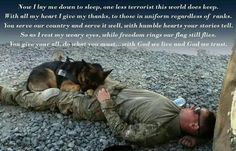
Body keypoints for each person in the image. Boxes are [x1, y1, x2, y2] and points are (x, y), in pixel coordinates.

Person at [0, 77, 215, 148]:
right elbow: (212, 130)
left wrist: (105, 104)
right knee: (79, 73)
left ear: (194, 125)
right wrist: (201, 141)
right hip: (112, 88)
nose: (194, 106)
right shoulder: (178, 111)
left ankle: (8, 94)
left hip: (99, 106)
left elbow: (124, 133)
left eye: (197, 111)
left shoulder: (160, 130)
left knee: (53, 98)